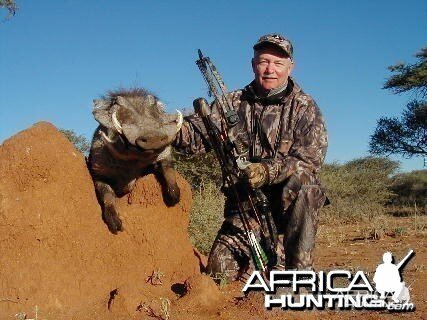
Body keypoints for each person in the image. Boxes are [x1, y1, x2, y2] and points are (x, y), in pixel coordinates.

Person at [174, 33, 328, 281]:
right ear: (253, 64)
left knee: (307, 185)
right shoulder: (231, 102)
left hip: (283, 214)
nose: (270, 70)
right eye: (264, 61)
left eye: (278, 63)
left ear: (290, 67)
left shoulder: (304, 107)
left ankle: (299, 277)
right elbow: (196, 137)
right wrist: (166, 127)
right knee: (218, 276)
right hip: (243, 213)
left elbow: (309, 160)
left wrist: (267, 171)